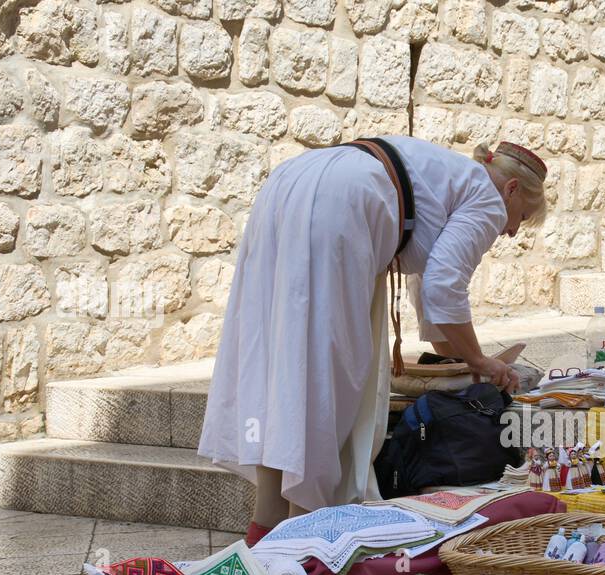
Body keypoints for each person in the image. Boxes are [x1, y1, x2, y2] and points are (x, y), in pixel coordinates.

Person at [198, 138, 547, 542]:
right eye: (520, 217)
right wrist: (483, 362)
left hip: (290, 182)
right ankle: (302, 538)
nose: (511, 230)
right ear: (512, 190)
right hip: (345, 199)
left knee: (279, 352)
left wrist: (467, 357)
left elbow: (434, 299)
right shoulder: (488, 198)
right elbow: (444, 287)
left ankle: (267, 525)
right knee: (324, 367)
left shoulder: (452, 178)